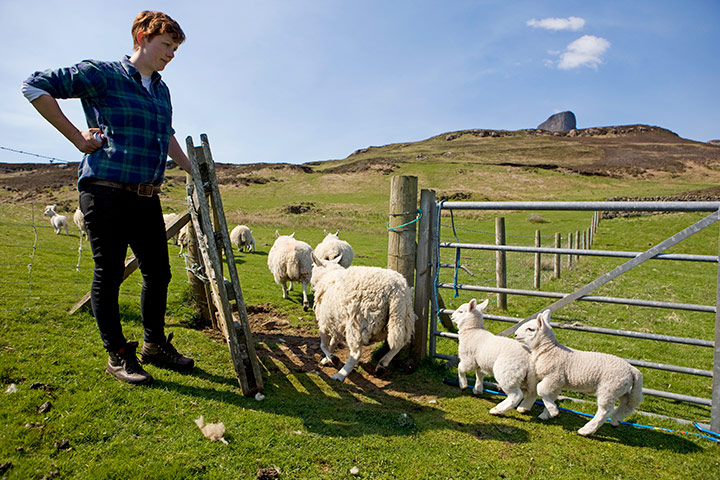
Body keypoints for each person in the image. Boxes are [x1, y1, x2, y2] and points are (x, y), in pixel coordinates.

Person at [22, 11, 194, 385]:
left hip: (146, 195)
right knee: (110, 273)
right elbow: (35, 86)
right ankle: (118, 354)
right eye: (167, 45)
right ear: (142, 38)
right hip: (105, 191)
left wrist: (193, 170)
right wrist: (78, 140)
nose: (171, 55)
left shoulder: (161, 90)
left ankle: (154, 345)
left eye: (176, 48)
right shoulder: (102, 74)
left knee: (159, 273)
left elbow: (166, 137)